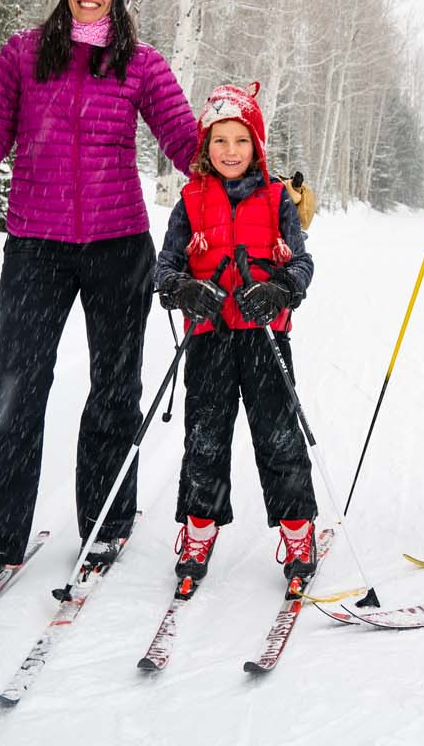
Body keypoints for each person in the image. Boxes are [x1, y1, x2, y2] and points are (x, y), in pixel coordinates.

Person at [0, 0, 199, 598]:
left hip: (118, 243)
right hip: (36, 245)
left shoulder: (143, 65)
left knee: (115, 388)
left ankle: (106, 522)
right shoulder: (22, 54)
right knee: (15, 387)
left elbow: (186, 144)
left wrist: (251, 176)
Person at [153, 82, 318, 587]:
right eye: (219, 141)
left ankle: (297, 531)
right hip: (208, 338)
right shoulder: (190, 200)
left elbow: (304, 263)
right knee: (205, 439)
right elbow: (164, 267)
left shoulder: (275, 199)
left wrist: (280, 290)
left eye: (240, 141)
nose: (230, 151)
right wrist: (184, 289)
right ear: (205, 146)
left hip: (265, 339)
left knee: (278, 436)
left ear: (256, 146)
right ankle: (199, 528)